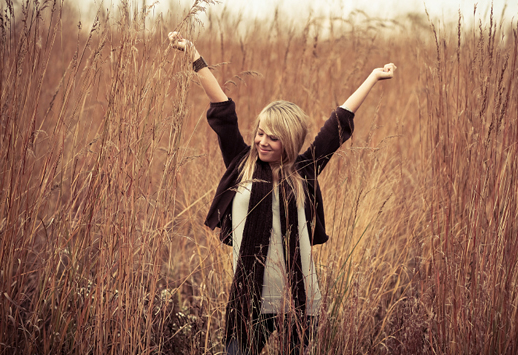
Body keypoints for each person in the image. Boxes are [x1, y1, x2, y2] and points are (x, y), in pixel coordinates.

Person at [168, 31, 396, 355]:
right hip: (250, 298)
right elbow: (222, 109)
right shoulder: (241, 162)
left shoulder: (304, 170)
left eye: (273, 138)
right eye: (260, 132)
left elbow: (338, 123)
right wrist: (193, 54)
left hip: (298, 298)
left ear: (289, 142)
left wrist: (373, 77)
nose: (262, 141)